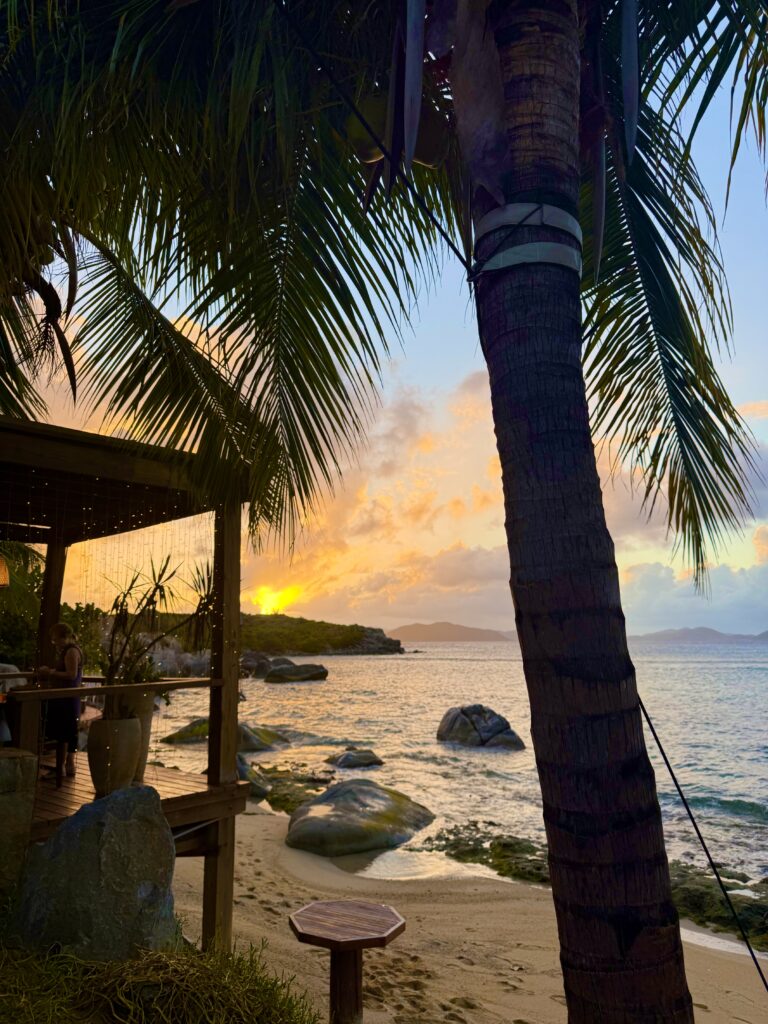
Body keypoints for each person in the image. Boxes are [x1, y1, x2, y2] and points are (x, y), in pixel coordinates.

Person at [38, 623, 83, 777]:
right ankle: (66, 766)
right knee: (68, 732)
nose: (54, 642)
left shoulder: (71, 651)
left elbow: (71, 674)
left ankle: (62, 768)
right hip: (68, 696)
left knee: (64, 733)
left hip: (67, 697)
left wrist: (50, 672)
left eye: (54, 639)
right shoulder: (69, 650)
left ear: (62, 637)